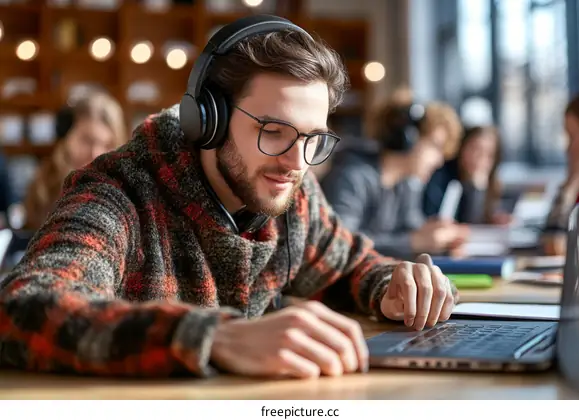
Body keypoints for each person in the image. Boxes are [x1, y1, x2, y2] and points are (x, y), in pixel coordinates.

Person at [0, 15, 457, 380]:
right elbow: (23, 309)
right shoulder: (119, 195)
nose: (296, 162)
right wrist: (216, 338)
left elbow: (349, 265)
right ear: (207, 121)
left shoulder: (292, 194)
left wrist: (393, 286)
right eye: (272, 131)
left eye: (312, 139)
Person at [320, 89, 468, 259]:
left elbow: (411, 229)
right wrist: (414, 242)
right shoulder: (351, 176)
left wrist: (438, 236)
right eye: (435, 146)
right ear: (408, 137)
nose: (439, 161)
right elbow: (340, 243)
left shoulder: (406, 183)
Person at [22, 90, 127, 231]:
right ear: (66, 137)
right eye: (86, 140)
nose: (96, 154)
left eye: (107, 145)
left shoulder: (126, 193)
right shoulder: (43, 186)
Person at [544, 86, 579, 256]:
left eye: (572, 136)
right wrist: (574, 181)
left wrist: (573, 182)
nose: (567, 147)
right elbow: (551, 241)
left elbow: (557, 247)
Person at [423, 125, 511, 225]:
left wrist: (491, 219)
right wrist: (476, 191)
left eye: (488, 155)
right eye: (474, 149)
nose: (480, 158)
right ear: (462, 148)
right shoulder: (441, 178)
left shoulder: (488, 182)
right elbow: (467, 224)